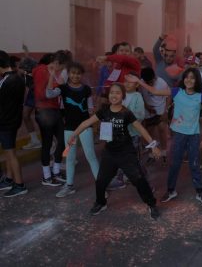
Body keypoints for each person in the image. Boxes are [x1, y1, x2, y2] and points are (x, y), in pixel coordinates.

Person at [68, 83, 161, 218]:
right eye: (112, 92)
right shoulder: (103, 111)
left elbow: (140, 129)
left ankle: (151, 204)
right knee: (100, 180)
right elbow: (85, 123)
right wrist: (74, 135)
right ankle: (101, 203)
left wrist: (153, 145)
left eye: (118, 93)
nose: (114, 95)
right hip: (110, 153)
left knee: (139, 179)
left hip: (126, 153)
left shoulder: (127, 113)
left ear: (122, 96)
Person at [126, 68, 202, 205]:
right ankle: (171, 190)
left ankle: (199, 192)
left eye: (192, 78)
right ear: (183, 79)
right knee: (174, 164)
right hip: (178, 135)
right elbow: (154, 91)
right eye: (186, 77)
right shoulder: (177, 92)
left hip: (194, 136)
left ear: (197, 81)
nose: (189, 80)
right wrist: (138, 81)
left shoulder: (201, 96)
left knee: (195, 165)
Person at [46, 62, 99, 197]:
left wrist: (94, 123)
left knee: (91, 156)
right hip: (69, 128)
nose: (75, 76)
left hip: (85, 127)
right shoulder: (63, 88)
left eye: (78, 73)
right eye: (73, 73)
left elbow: (90, 108)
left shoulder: (86, 89)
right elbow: (49, 94)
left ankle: (101, 185)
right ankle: (69, 186)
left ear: (82, 75)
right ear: (69, 74)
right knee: (69, 157)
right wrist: (52, 76)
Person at [33, 52, 68, 186]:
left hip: (53, 110)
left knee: (61, 141)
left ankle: (56, 171)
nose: (60, 69)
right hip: (45, 111)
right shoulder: (43, 71)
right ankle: (47, 176)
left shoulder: (46, 71)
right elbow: (45, 94)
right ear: (55, 63)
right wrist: (58, 85)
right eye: (61, 66)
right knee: (48, 143)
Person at [108, 72, 147, 190]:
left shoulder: (137, 96)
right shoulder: (120, 95)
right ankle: (120, 179)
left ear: (136, 85)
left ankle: (144, 182)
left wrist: (124, 114)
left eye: (131, 81)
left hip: (133, 134)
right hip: (119, 134)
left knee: (134, 160)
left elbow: (140, 115)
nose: (127, 83)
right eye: (125, 81)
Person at [0, 50, 28, 197]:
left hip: (6, 121)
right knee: (8, 151)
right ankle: (10, 179)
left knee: (10, 153)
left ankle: (19, 184)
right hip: (13, 119)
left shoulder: (7, 81)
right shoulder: (17, 78)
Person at [140, 67, 168, 164]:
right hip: (149, 112)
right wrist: (146, 106)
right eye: (147, 83)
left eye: (151, 82)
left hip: (160, 110)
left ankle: (164, 152)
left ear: (155, 77)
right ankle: (153, 153)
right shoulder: (141, 83)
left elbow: (169, 96)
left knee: (161, 130)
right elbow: (141, 96)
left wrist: (166, 110)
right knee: (150, 134)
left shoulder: (162, 82)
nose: (149, 84)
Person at [19, 57, 41, 150]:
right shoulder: (23, 75)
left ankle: (52, 141)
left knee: (41, 119)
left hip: (39, 93)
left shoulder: (36, 73)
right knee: (25, 115)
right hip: (32, 93)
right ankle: (34, 140)